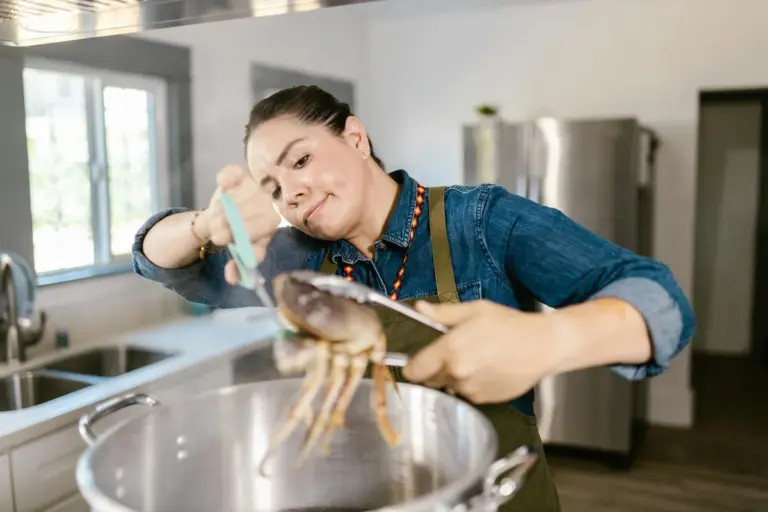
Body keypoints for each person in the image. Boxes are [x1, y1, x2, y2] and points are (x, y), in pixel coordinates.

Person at [132, 85, 696, 511]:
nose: (293, 193)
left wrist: (550, 337)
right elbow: (161, 263)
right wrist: (206, 224)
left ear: (356, 138)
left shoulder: (479, 221)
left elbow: (660, 299)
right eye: (273, 188)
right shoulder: (297, 259)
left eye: (300, 161)